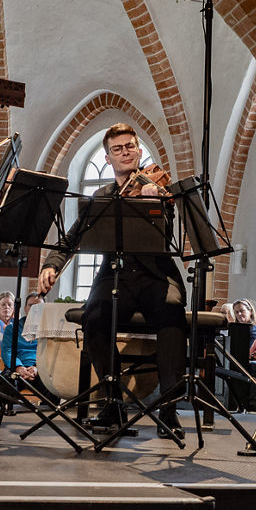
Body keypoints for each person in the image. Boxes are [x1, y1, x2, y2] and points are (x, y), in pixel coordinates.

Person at [36, 123, 187, 439]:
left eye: (130, 146)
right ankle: (113, 399)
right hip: (115, 273)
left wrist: (155, 203)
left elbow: (167, 232)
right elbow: (72, 238)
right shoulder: (100, 197)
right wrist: (51, 266)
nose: (125, 152)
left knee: (172, 312)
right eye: (117, 149)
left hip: (155, 275)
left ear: (139, 150)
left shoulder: (156, 187)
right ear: (108, 158)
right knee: (94, 316)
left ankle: (169, 408)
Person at [0, 291, 60, 404]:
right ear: (25, 308)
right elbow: (7, 351)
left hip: (40, 370)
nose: (35, 309)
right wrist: (19, 367)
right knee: (4, 383)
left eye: (39, 306)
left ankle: (47, 416)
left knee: (54, 385)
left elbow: (50, 353)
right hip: (15, 368)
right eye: (31, 305)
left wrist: (37, 368)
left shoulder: (50, 329)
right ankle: (10, 414)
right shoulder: (12, 328)